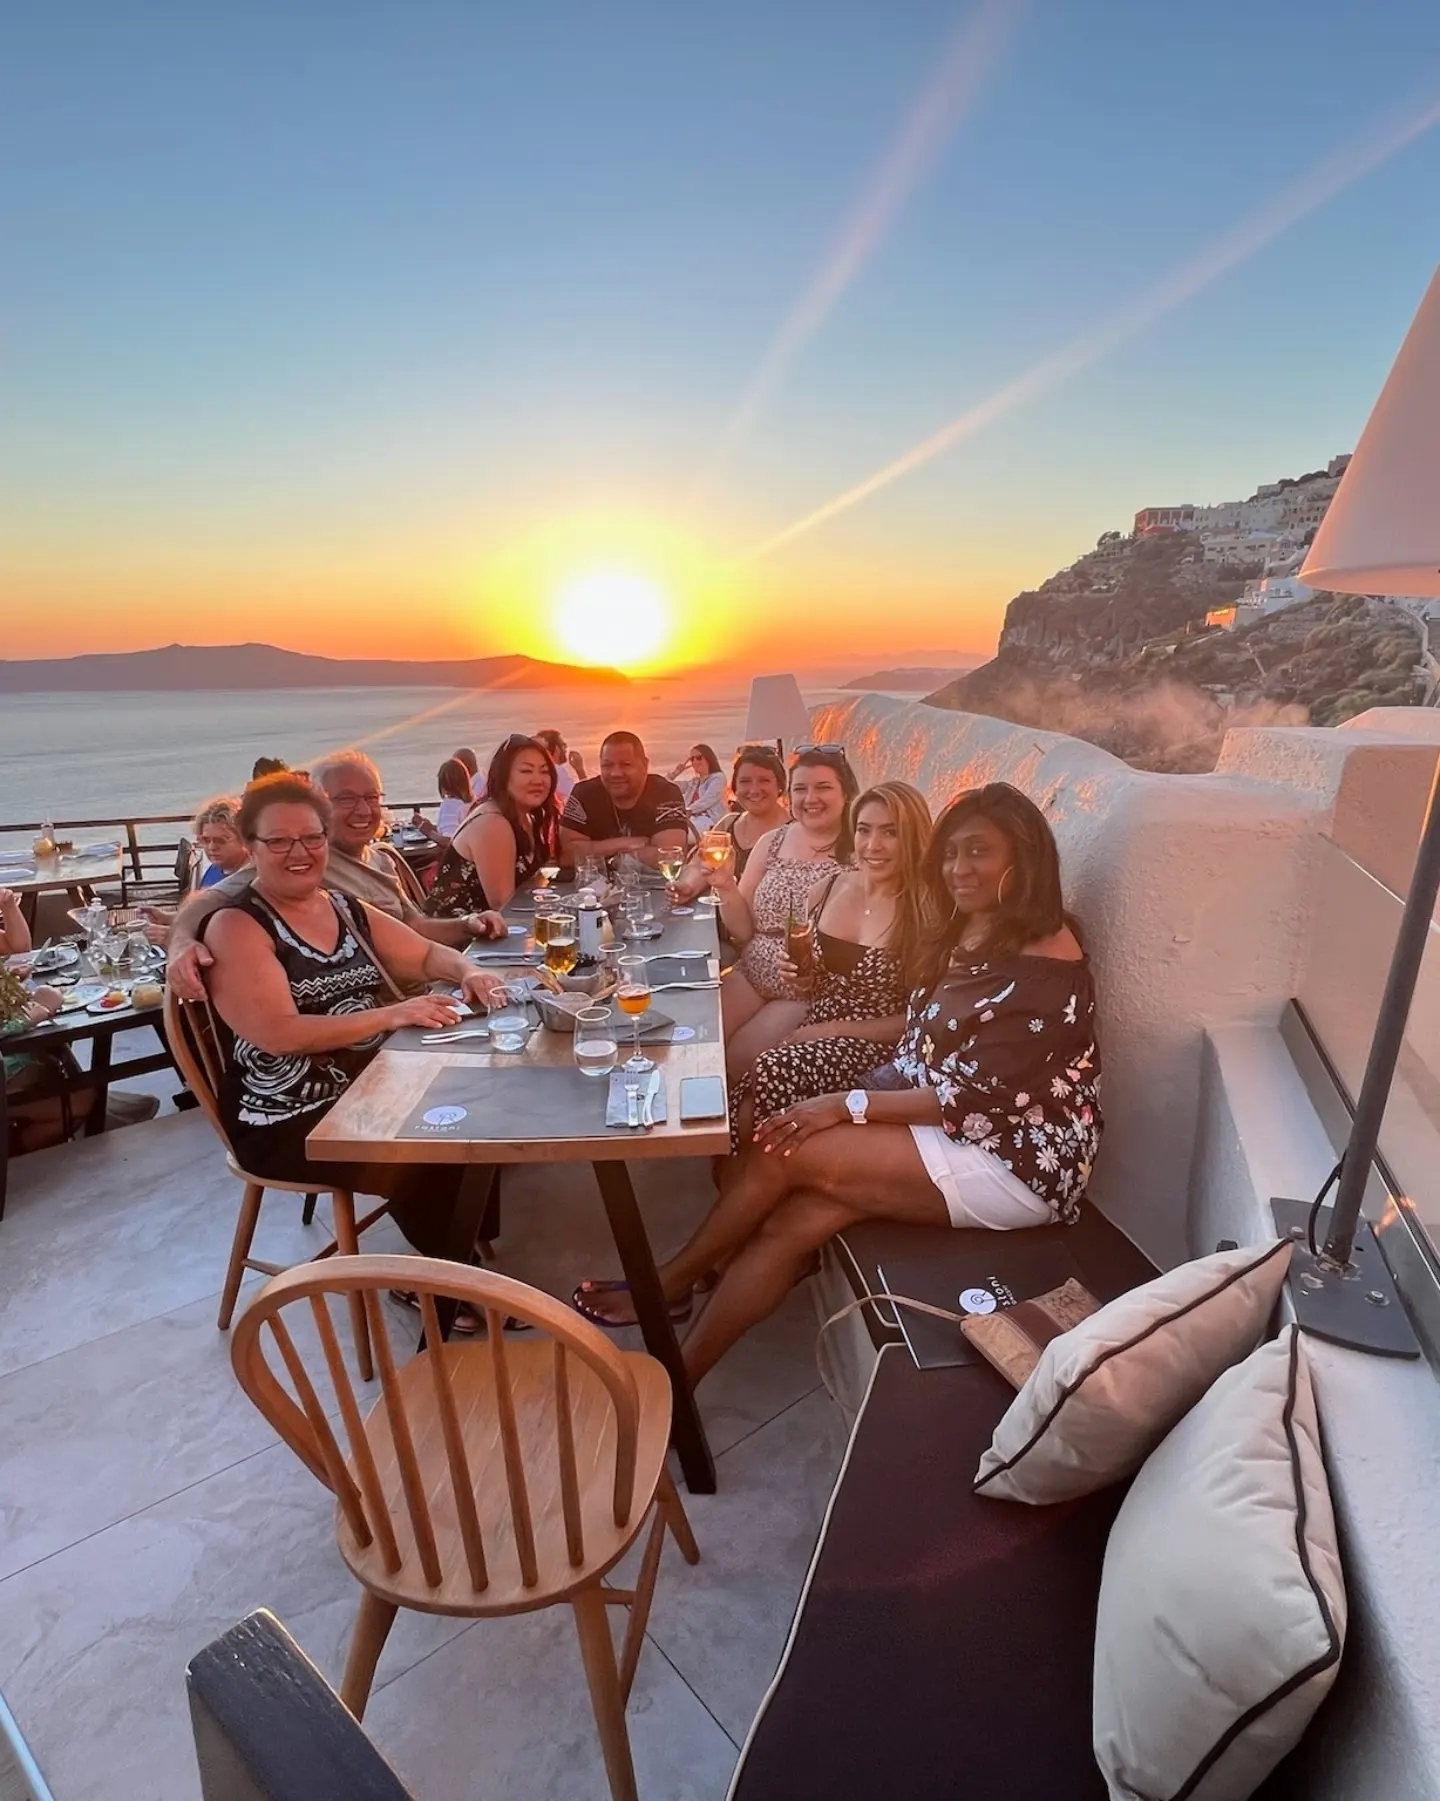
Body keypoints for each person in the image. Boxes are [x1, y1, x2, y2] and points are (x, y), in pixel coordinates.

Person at [575, 783, 1102, 1376]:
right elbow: (921, 1042)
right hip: (945, 1122)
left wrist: (845, 1103)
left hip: (1015, 1155)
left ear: (1023, 859)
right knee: (791, 1224)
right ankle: (676, 1384)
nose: (958, 868)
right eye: (952, 853)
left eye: (979, 852)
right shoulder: (973, 926)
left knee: (786, 1148)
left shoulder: (1045, 956)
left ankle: (670, 1281)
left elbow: (977, 1098)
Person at [197, 774, 511, 1305]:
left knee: (476, 1102)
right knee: (431, 1141)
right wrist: (391, 1015)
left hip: (366, 1085)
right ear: (251, 847)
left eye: (311, 837)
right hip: (287, 1115)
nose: (300, 852)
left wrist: (469, 972)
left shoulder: (342, 906)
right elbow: (280, 1033)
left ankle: (456, 1257)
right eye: (280, 841)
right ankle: (444, 1288)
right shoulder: (237, 926)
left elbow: (424, 954)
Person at [165, 750, 506, 1003]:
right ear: (318, 806)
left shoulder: (380, 858)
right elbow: (211, 898)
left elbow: (415, 927)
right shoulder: (303, 862)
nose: (364, 810)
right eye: (346, 799)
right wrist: (180, 942)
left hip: (423, 996)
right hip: (375, 1017)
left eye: (371, 798)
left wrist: (468, 924)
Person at [728, 781, 934, 1151]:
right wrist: (802, 978)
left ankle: (768, 1171)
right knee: (744, 1105)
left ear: (914, 837)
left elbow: (920, 1019)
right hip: (815, 1027)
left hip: (878, 1044)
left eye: (890, 832)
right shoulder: (827, 888)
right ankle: (752, 1172)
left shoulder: (927, 911)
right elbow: (816, 982)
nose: (873, 845)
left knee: (773, 1071)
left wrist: (828, 1031)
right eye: (864, 830)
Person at [709, 748, 859, 1078]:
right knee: (702, 1037)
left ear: (846, 793)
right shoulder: (772, 842)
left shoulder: (859, 851)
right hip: (752, 972)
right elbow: (743, 932)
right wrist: (726, 887)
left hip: (805, 990)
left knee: (739, 1057)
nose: (810, 798)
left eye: (823, 787)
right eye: (800, 789)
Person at [426, 734, 559, 916]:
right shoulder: (492, 822)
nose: (538, 780)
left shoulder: (527, 817)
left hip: (501, 926)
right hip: (463, 931)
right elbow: (503, 906)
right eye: (526, 771)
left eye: (544, 772)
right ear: (503, 776)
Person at [559, 731, 688, 869]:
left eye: (625, 765)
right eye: (607, 765)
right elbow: (567, 856)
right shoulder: (583, 793)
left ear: (645, 765)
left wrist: (594, 850)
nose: (615, 773)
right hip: (592, 883)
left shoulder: (666, 793)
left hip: (651, 883)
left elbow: (670, 857)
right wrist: (624, 843)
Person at [410, 758, 474, 847]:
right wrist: (433, 827)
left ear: (442, 784)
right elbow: (457, 831)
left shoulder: (450, 805)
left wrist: (427, 831)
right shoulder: (473, 804)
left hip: (454, 855)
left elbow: (449, 842)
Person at [668, 744, 727, 832]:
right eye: (692, 759)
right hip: (691, 819)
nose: (695, 761)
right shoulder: (694, 782)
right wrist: (676, 772)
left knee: (680, 832)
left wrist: (688, 810)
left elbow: (708, 799)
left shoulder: (718, 778)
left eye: (699, 758)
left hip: (709, 820)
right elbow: (668, 787)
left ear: (708, 758)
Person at [194, 797, 249, 888]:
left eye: (221, 840)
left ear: (244, 839)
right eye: (206, 840)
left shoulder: (255, 881)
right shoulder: (214, 870)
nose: (212, 847)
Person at [535, 728, 586, 801]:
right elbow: (581, 797)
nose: (566, 747)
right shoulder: (556, 771)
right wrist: (580, 771)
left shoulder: (541, 770)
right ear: (556, 748)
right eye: (563, 744)